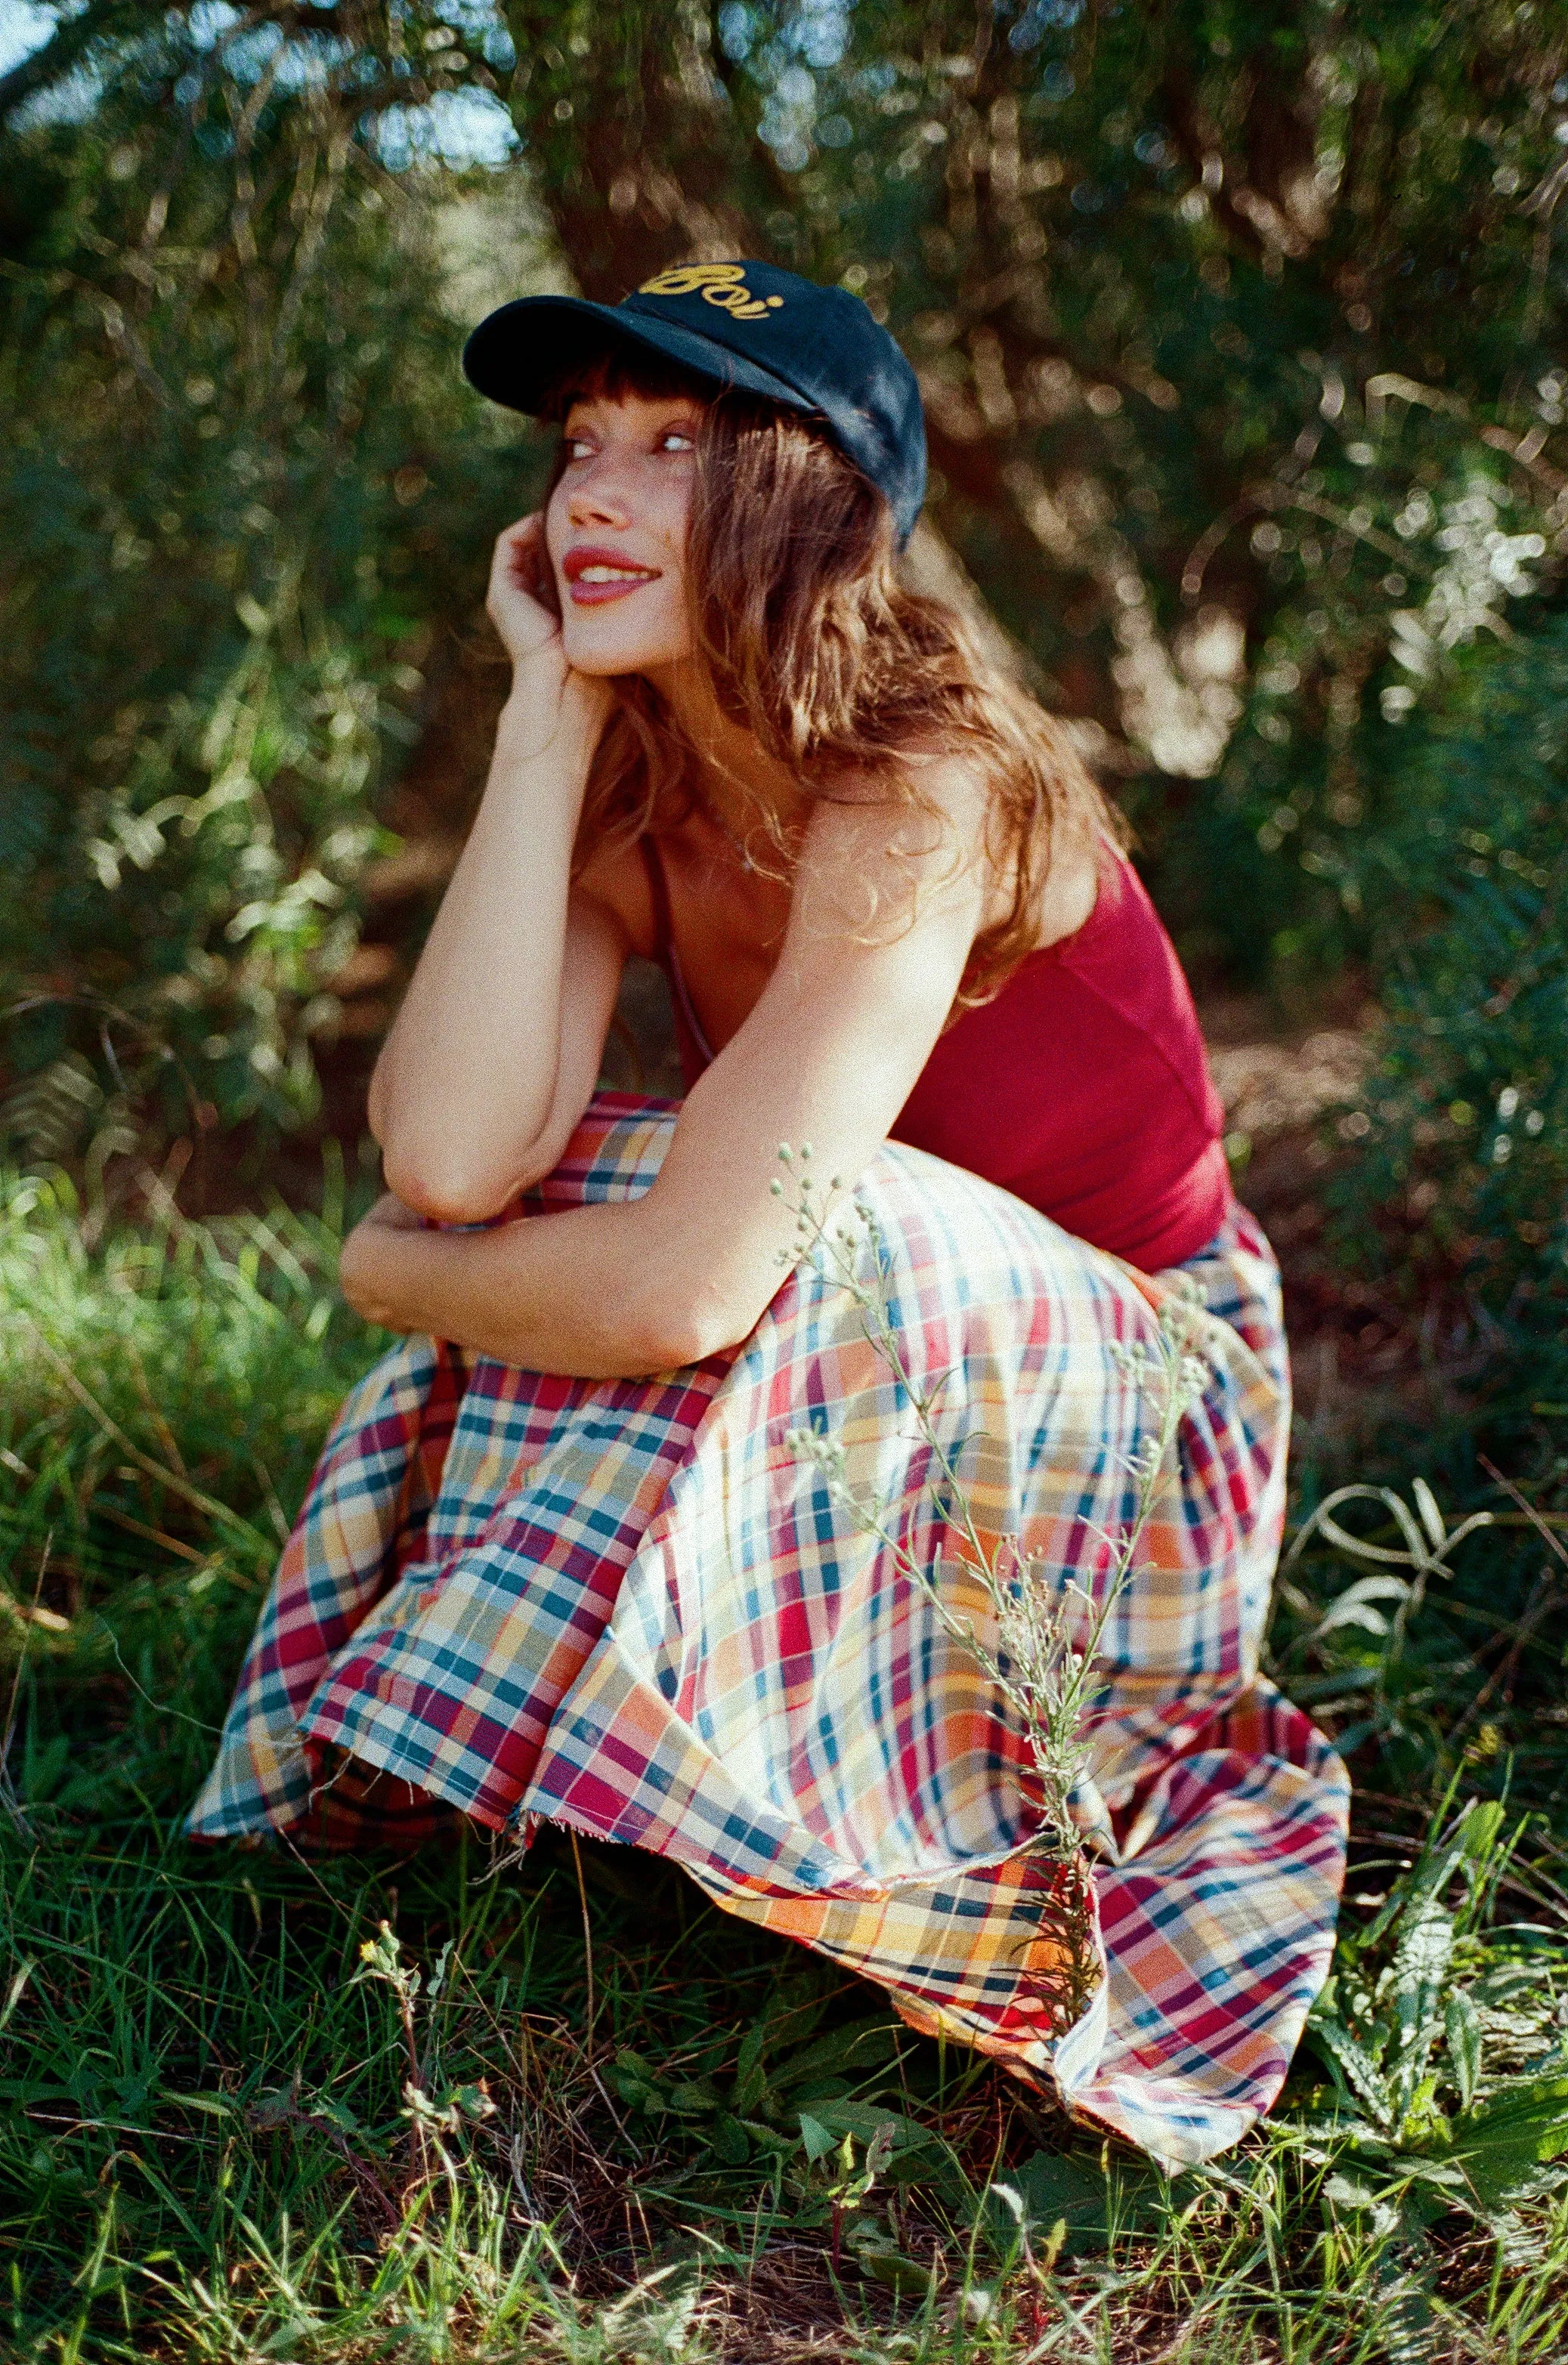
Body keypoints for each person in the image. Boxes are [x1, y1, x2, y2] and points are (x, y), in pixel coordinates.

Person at [189, 259, 1347, 2170]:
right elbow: (457, 1152)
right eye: (578, 446)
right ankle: (514, 1741)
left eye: (670, 446)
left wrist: (393, 1277)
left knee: (765, 1201)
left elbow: (685, 1278)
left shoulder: (925, 773)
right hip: (924, 1342)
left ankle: (741, 1766)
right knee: (619, 1163)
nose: (587, 497)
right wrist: (539, 725)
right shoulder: (647, 789)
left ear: (810, 502)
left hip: (1146, 1396)